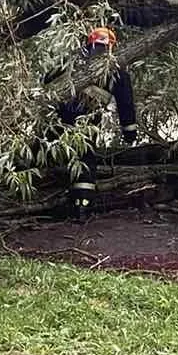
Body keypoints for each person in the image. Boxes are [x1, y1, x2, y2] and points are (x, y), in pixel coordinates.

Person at [40, 26, 138, 219]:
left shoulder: (74, 62)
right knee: (85, 158)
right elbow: (126, 105)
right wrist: (129, 132)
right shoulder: (118, 73)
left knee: (57, 150)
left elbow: (47, 78)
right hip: (85, 121)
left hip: (62, 118)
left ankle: (71, 201)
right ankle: (81, 206)